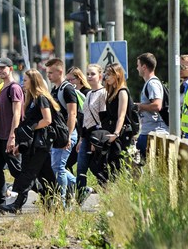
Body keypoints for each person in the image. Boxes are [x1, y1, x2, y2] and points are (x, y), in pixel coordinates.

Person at [1, 70, 59, 213]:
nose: (23, 82)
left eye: (25, 80)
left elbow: (47, 120)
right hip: (33, 143)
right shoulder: (31, 99)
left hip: (41, 143)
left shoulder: (41, 98)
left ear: (33, 81)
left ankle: (18, 204)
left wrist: (32, 127)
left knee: (29, 172)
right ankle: (53, 202)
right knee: (46, 174)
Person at [0, 57, 23, 213]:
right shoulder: (2, 87)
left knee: (17, 171)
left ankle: (44, 190)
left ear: (10, 68)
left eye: (3, 68)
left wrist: (13, 136)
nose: (0, 70)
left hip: (10, 136)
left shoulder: (14, 88)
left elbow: (17, 113)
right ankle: (0, 203)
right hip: (1, 136)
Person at [45, 58, 79, 205]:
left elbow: (72, 114)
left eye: (51, 72)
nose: (48, 75)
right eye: (47, 72)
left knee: (58, 167)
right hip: (58, 134)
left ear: (60, 72)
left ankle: (63, 202)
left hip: (67, 134)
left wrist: (68, 136)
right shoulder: (54, 89)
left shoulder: (68, 89)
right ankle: (81, 187)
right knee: (57, 167)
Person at [93, 63, 131, 184]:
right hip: (110, 132)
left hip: (119, 134)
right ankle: (107, 190)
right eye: (105, 74)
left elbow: (121, 115)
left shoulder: (122, 92)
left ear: (117, 75)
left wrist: (116, 133)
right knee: (103, 164)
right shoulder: (111, 92)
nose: (105, 77)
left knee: (116, 165)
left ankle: (116, 191)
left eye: (109, 74)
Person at [75, 64, 106, 195]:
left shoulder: (103, 93)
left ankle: (108, 191)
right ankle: (79, 197)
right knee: (81, 168)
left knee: (97, 168)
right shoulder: (88, 94)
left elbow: (103, 118)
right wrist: (81, 139)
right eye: (87, 74)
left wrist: (96, 141)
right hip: (86, 135)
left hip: (97, 137)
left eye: (92, 74)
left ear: (100, 76)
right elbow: (85, 118)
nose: (89, 76)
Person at [136, 53, 169, 158]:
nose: (137, 68)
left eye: (138, 65)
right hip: (149, 132)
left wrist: (139, 106)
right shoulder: (149, 83)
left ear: (144, 67)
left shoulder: (152, 84)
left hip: (155, 133)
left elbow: (157, 106)